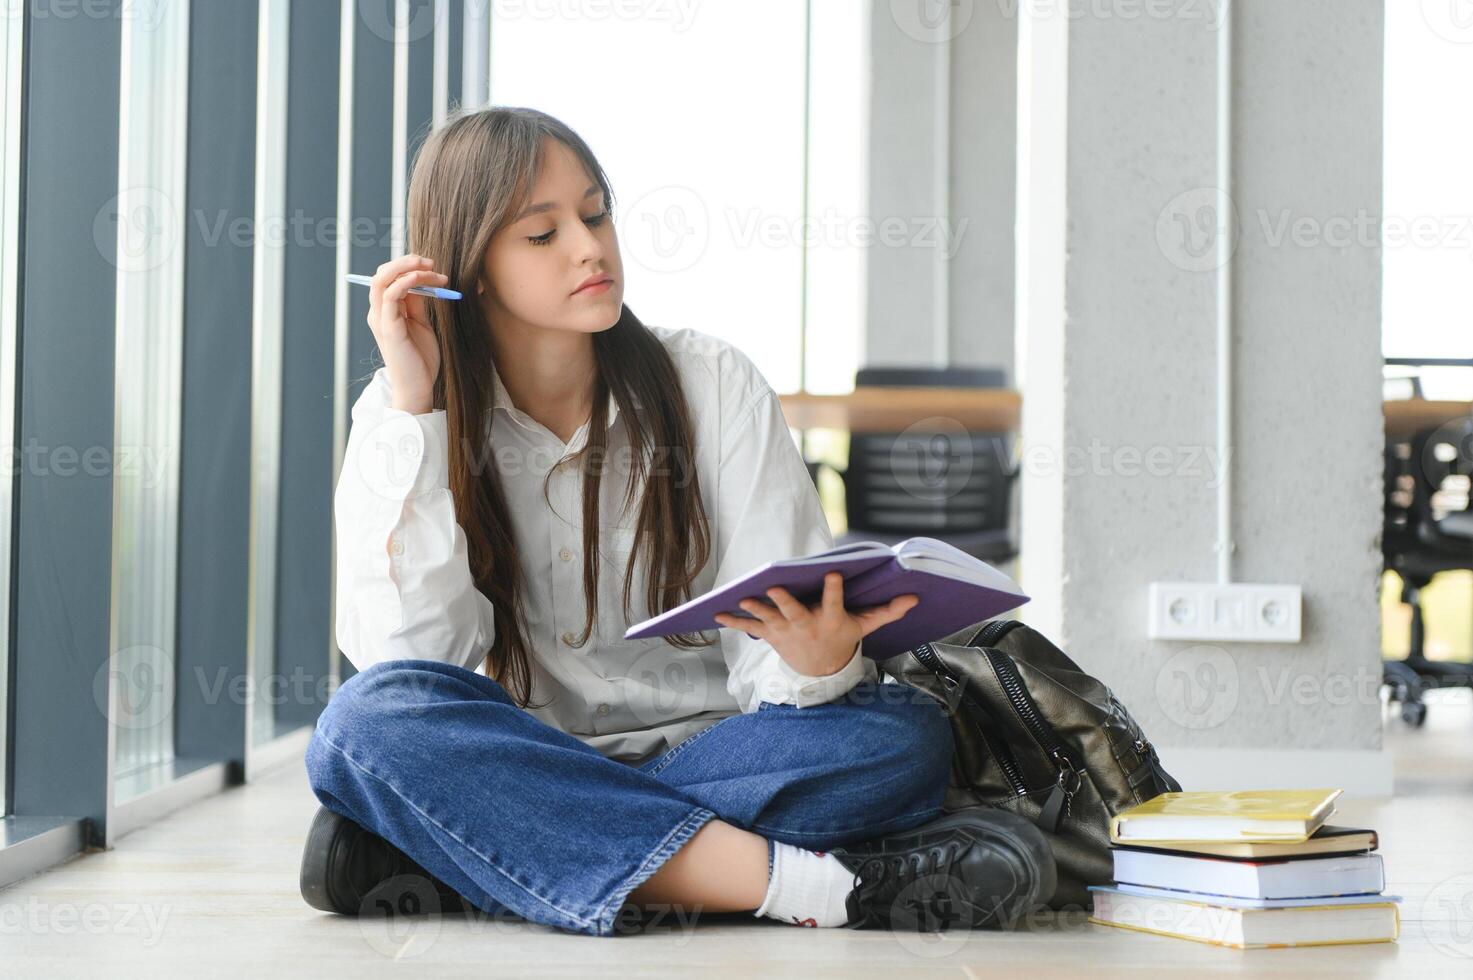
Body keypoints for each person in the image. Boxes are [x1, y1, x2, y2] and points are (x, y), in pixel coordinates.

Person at [300, 105, 1054, 938]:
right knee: (363, 727)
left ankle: (462, 846)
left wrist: (814, 663)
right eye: (542, 235)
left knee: (894, 743)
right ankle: (823, 888)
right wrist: (416, 410)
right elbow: (412, 663)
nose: (591, 247)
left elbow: (780, 645)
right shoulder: (404, 415)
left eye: (594, 213)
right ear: (469, 268)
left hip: (722, 750)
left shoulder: (712, 381)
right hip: (527, 748)